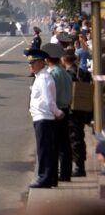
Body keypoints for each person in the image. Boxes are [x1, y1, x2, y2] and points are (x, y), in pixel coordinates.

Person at [27, 48, 63, 188]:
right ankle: (51, 177)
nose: (30, 65)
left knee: (44, 150)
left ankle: (44, 178)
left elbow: (48, 100)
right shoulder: (41, 77)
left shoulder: (43, 78)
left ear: (42, 62)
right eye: (30, 63)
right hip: (42, 118)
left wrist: (57, 113)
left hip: (44, 118)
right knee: (48, 149)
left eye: (33, 62)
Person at [44, 44, 73, 182]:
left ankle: (54, 173)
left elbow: (49, 96)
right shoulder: (65, 73)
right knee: (65, 143)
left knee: (54, 144)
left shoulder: (52, 75)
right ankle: (66, 173)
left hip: (56, 110)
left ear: (47, 59)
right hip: (66, 108)